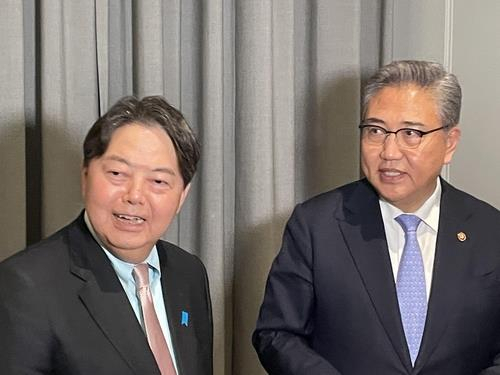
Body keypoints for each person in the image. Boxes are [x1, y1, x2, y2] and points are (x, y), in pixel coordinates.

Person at [253, 60, 500, 374]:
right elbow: (277, 334)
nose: (389, 152)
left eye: (411, 133)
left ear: (449, 143)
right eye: (375, 131)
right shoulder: (316, 225)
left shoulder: (490, 232)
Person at [0, 96, 212, 375]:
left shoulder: (189, 273)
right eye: (117, 173)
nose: (135, 196)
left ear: (182, 196)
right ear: (85, 176)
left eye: (158, 181)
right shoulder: (25, 285)